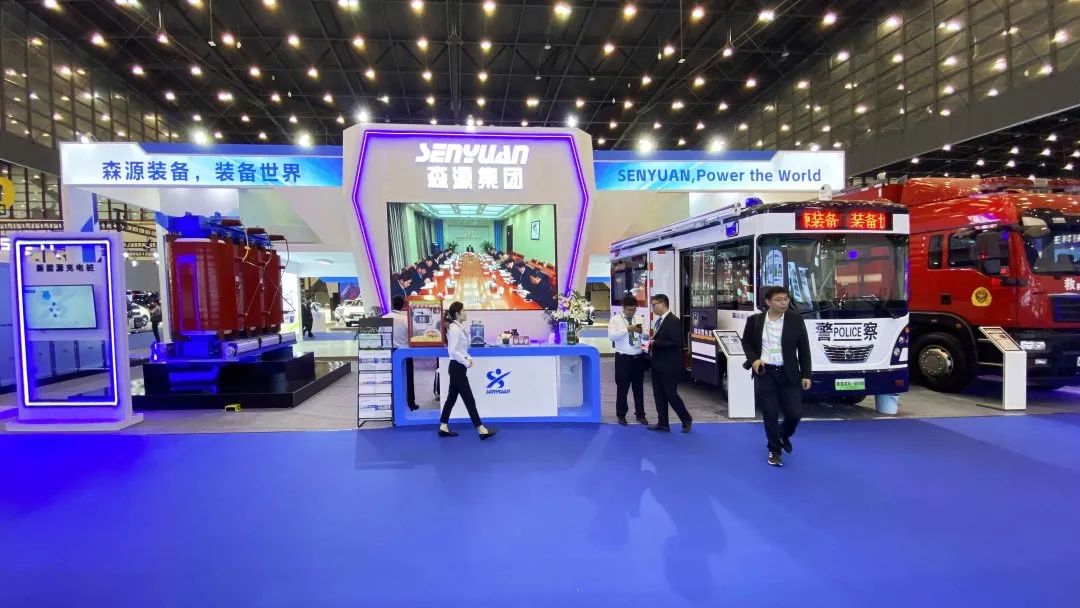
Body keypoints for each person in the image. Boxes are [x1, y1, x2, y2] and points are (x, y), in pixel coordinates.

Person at [741, 286, 812, 468]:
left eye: (786, 299)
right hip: (766, 372)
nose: (783, 303)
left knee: (795, 413)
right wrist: (754, 360)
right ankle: (774, 450)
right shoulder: (755, 321)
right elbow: (746, 343)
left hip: (789, 373)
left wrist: (806, 374)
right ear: (768, 302)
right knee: (770, 413)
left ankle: (783, 434)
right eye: (779, 300)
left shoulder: (795, 320)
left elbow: (804, 348)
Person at [439, 301, 497, 439]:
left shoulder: (457, 327)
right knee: (469, 399)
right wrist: (466, 362)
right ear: (457, 313)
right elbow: (453, 351)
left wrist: (468, 358)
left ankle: (443, 426)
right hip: (457, 368)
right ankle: (481, 429)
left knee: (451, 398)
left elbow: (461, 349)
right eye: (463, 310)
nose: (466, 313)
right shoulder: (455, 329)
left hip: (457, 367)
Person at [645, 294, 692, 433]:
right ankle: (663, 422)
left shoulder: (674, 321)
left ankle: (686, 418)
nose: (653, 308)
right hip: (657, 364)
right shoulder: (658, 321)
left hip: (669, 365)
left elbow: (676, 342)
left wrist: (655, 343)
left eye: (654, 305)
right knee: (658, 395)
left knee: (671, 394)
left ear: (663, 304)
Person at [608, 294, 649, 426]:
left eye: (634, 310)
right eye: (629, 310)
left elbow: (647, 337)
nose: (632, 312)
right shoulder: (615, 320)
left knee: (638, 388)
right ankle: (621, 415)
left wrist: (641, 332)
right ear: (623, 308)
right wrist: (626, 330)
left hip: (638, 358)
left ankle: (640, 414)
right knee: (622, 388)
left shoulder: (639, 318)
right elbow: (611, 337)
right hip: (623, 358)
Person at [383, 295, 417, 410]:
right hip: (405, 352)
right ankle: (411, 403)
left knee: (390, 377)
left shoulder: (384, 318)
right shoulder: (406, 319)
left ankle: (391, 404)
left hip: (389, 352)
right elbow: (412, 335)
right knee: (408, 378)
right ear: (403, 305)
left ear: (392, 304)